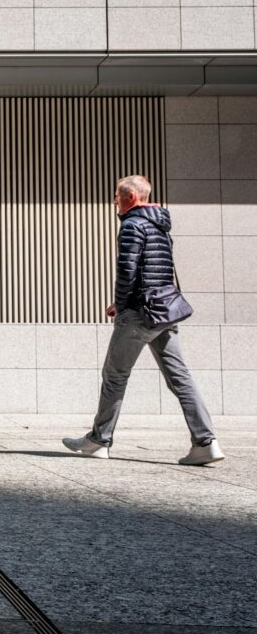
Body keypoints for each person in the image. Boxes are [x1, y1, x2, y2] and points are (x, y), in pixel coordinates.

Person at [63, 175, 223, 466]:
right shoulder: (160, 224)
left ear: (131, 197)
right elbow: (157, 271)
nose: (114, 201)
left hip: (139, 312)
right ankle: (206, 442)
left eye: (116, 196)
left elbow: (127, 270)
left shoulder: (132, 224)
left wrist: (122, 306)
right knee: (180, 378)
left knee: (115, 376)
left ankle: (99, 440)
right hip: (165, 310)